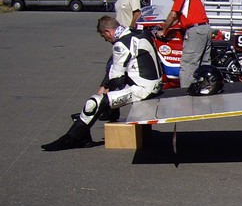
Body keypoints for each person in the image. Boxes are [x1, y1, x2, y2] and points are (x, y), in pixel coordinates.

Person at [41, 15, 162, 151]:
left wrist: (104, 99)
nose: (106, 40)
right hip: (154, 85)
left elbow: (117, 79)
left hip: (143, 90)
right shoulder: (139, 33)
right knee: (104, 98)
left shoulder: (121, 44)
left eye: (104, 37)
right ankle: (84, 135)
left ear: (108, 32)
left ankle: (70, 139)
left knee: (94, 103)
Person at [155, 0, 211, 90]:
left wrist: (163, 31)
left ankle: (185, 93)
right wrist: (164, 25)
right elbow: (176, 20)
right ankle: (206, 87)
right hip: (205, 29)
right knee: (204, 63)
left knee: (188, 64)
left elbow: (173, 15)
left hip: (195, 31)